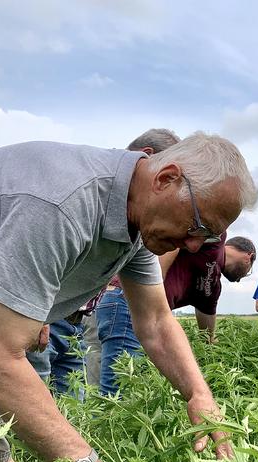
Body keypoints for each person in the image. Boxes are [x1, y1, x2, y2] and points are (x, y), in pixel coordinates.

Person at [0, 131, 257, 462]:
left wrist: (199, 394)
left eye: (209, 239)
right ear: (166, 179)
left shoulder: (138, 221)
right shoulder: (62, 203)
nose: (194, 245)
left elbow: (156, 320)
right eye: (197, 227)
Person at [33, 129, 183, 397]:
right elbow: (40, 254)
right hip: (41, 321)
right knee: (31, 398)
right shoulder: (81, 193)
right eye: (170, 180)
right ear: (147, 158)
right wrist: (36, 312)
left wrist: (199, 395)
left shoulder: (132, 224)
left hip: (74, 322)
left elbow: (157, 318)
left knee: (72, 402)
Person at [98, 235, 256, 396]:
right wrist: (152, 287)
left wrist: (221, 357)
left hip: (144, 315)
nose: (239, 281)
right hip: (128, 299)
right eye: (248, 273)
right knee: (117, 390)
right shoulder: (215, 239)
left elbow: (207, 336)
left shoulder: (213, 287)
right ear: (248, 257)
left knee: (128, 383)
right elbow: (174, 234)